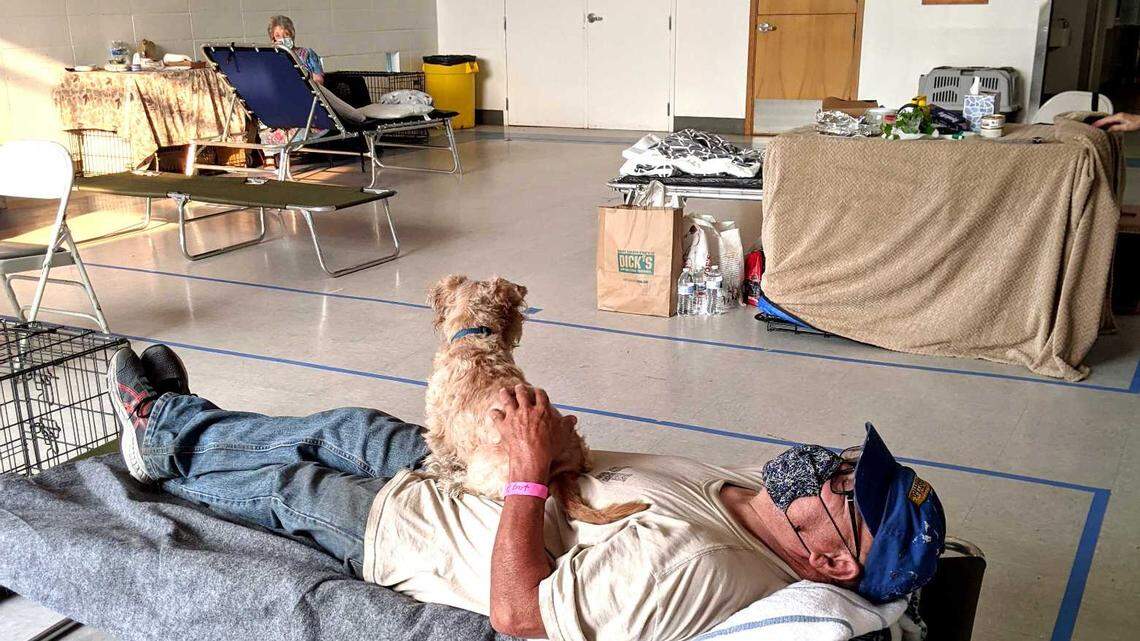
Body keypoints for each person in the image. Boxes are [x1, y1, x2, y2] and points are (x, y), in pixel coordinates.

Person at [108, 345, 947, 641]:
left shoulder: (703, 564)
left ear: (830, 563)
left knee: (291, 482)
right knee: (347, 422)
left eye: (849, 491)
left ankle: (159, 436)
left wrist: (527, 467)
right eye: (851, 464)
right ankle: (178, 419)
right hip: (471, 471)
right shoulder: (746, 496)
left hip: (420, 533)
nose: (834, 469)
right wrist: (537, 435)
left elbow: (519, 614)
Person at [268, 15, 324, 85]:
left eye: (286, 34)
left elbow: (319, 80)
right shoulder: (272, 57)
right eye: (278, 36)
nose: (282, 38)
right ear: (273, 39)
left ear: (292, 34)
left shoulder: (308, 53)